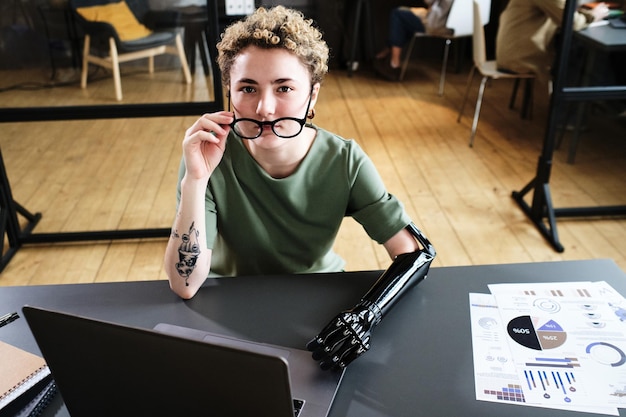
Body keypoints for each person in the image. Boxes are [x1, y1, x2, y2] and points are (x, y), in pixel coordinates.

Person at [164, 6, 435, 370]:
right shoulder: (209, 157)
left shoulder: (344, 160)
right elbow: (185, 285)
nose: (265, 108)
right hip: (229, 303)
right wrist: (196, 179)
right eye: (247, 88)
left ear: (313, 95)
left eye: (284, 88)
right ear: (229, 92)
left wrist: (366, 314)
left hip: (320, 307)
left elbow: (415, 252)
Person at [496, 0, 610, 84]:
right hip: (521, 58)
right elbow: (572, 22)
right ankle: (574, 110)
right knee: (584, 55)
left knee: (579, 53)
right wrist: (593, 15)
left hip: (513, 52)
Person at [374, 0, 454, 81]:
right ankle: (386, 52)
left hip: (438, 24)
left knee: (397, 14)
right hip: (456, 27)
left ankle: (394, 64)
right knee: (406, 17)